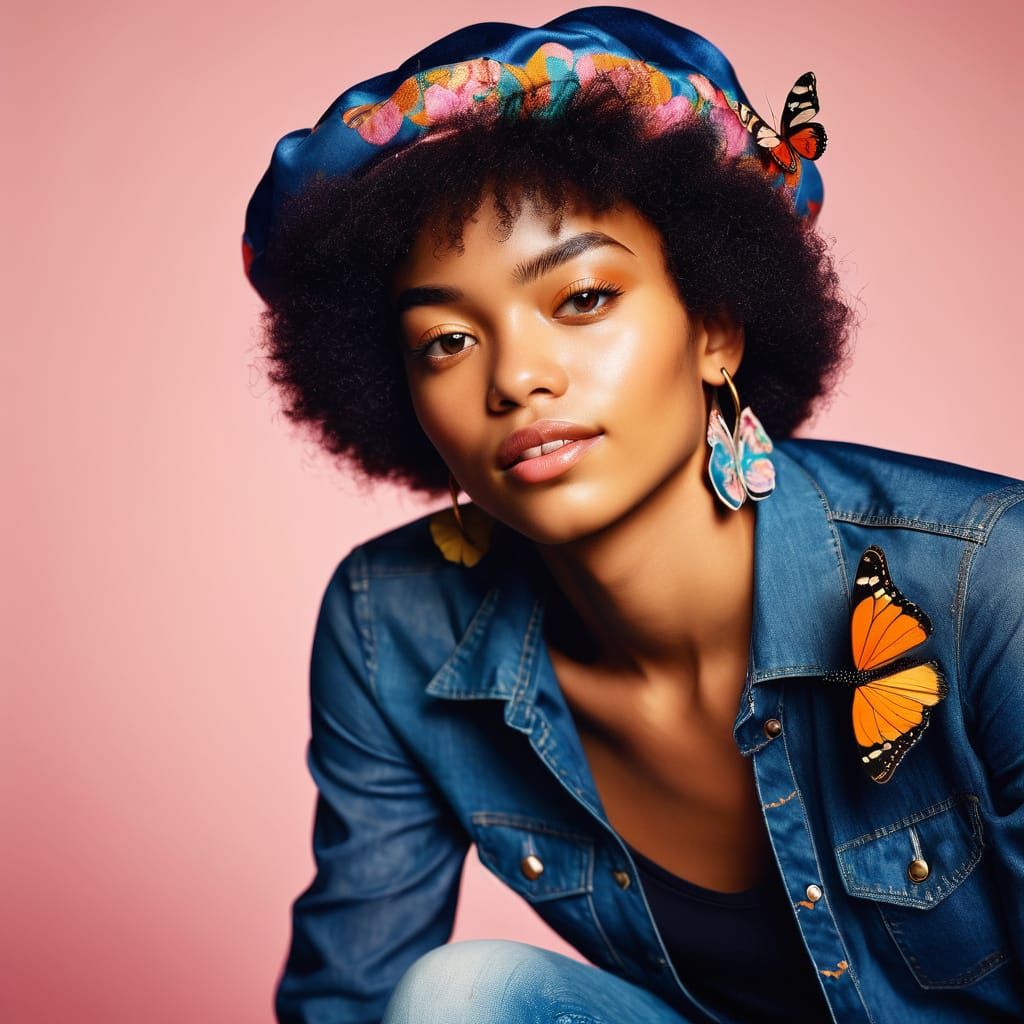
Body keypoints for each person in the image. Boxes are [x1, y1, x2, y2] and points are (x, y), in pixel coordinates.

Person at [241, 7, 1024, 1023]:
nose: (516, 378)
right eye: (446, 342)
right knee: (460, 999)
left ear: (716, 326)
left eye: (581, 299)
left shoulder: (987, 585)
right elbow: (346, 1000)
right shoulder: (390, 626)